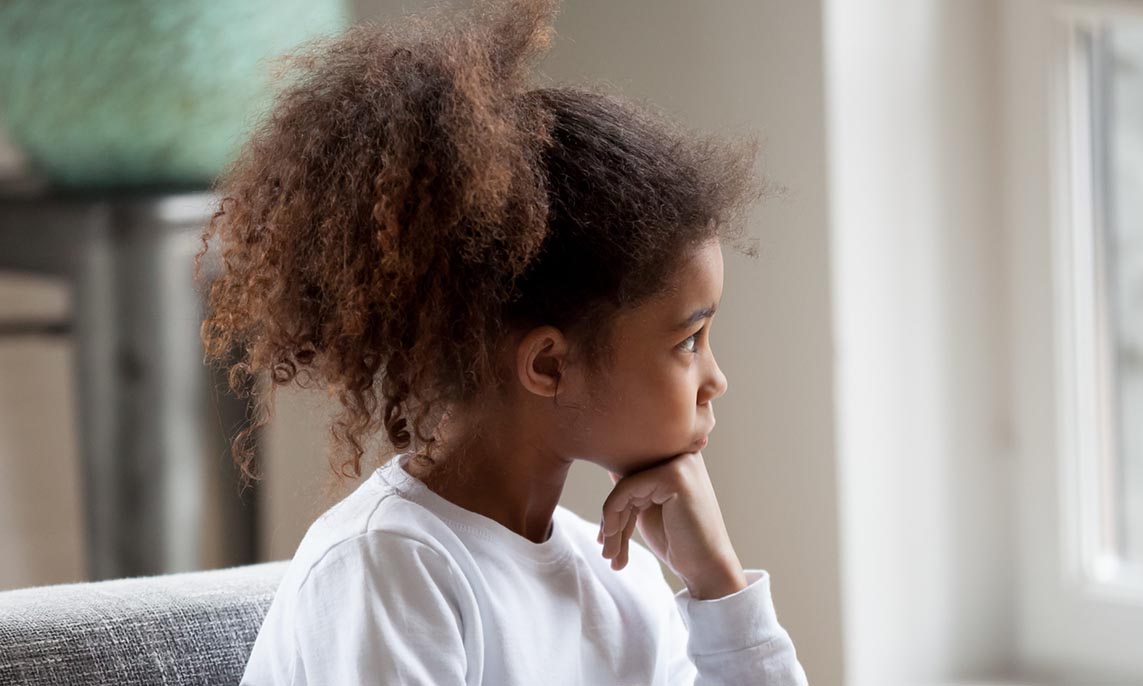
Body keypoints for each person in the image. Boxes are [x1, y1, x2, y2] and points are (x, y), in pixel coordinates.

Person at [197, 0, 808, 683]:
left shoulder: (620, 581)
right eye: (689, 340)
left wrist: (717, 585)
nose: (714, 378)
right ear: (549, 364)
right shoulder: (391, 567)